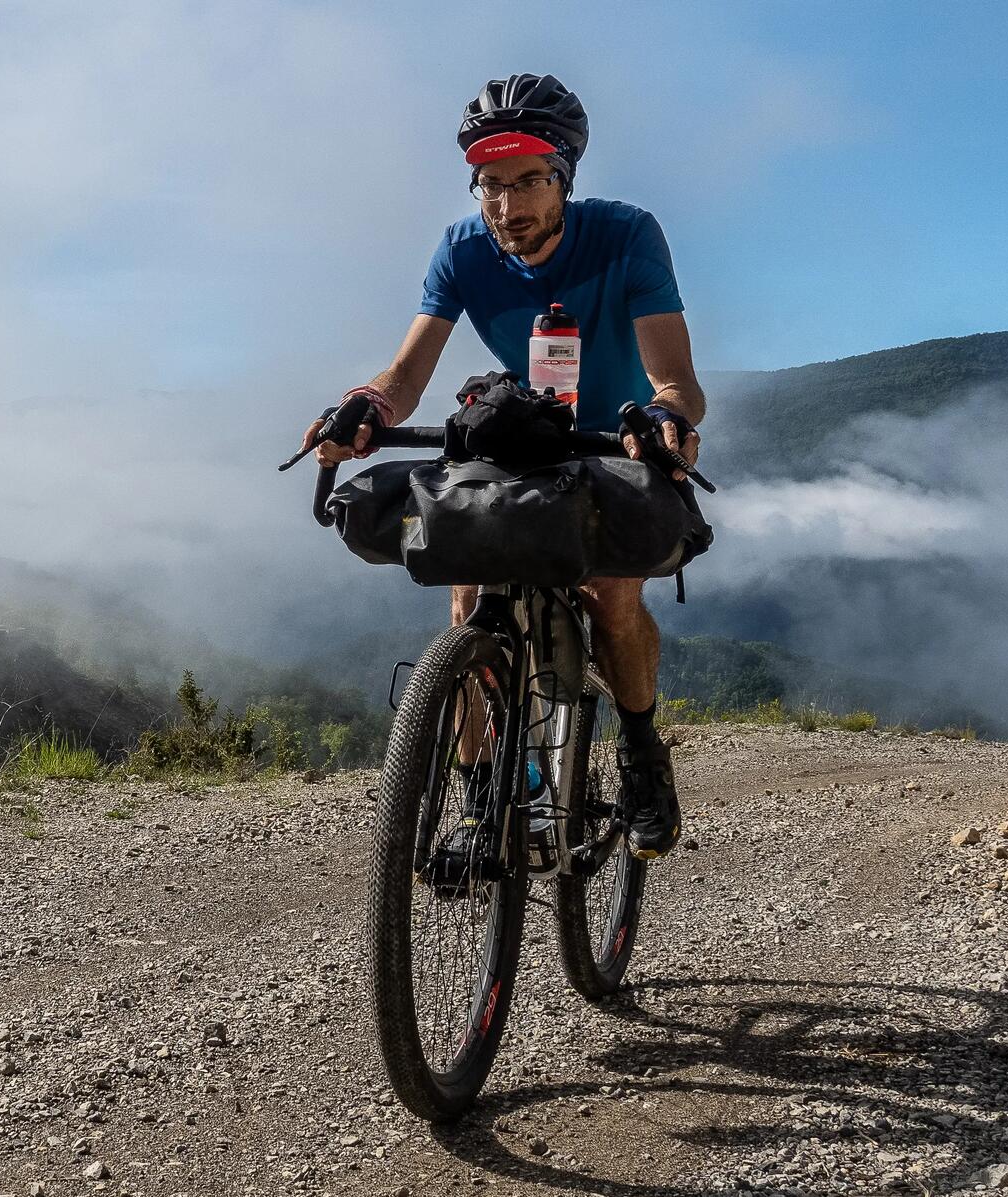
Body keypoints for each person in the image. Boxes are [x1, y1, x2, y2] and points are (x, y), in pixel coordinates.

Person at [299, 72, 705, 865]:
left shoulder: (626, 236)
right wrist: (364, 409)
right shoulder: (460, 249)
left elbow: (677, 382)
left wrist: (665, 422)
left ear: (566, 177)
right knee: (466, 599)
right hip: (520, 434)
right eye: (490, 183)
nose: (507, 205)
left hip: (613, 441)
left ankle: (641, 753)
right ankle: (487, 796)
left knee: (612, 594)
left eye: (528, 180)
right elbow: (406, 375)